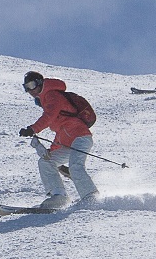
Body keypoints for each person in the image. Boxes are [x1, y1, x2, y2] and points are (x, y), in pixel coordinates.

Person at [18, 71, 99, 209]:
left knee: (75, 167)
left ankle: (91, 198)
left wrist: (33, 129)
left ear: (39, 82)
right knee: (46, 161)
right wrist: (52, 151)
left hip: (81, 137)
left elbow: (49, 116)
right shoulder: (46, 99)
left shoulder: (52, 95)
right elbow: (61, 133)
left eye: (31, 85)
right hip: (68, 143)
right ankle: (59, 197)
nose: (30, 90)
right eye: (26, 87)